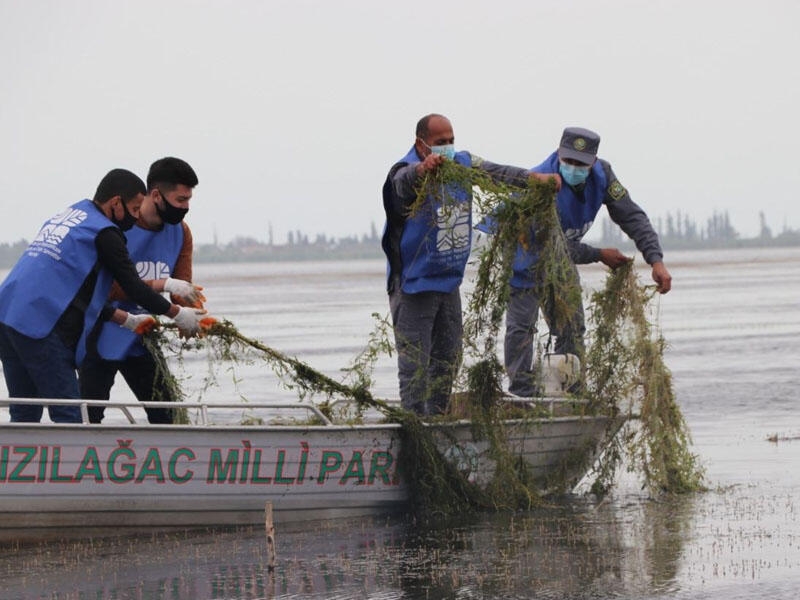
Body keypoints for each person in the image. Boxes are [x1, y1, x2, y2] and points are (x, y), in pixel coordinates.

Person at [0, 168, 210, 423]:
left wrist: (126, 319)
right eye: (133, 209)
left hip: (7, 313)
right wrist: (177, 314)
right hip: (38, 322)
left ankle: (12, 461)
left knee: (24, 409)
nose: (134, 218)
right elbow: (133, 286)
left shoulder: (74, 214)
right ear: (115, 203)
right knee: (71, 413)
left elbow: (74, 291)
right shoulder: (106, 233)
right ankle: (75, 462)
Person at [382, 113, 558, 416]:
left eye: (451, 140)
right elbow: (401, 183)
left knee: (448, 359)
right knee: (415, 368)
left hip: (448, 283)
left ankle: (436, 419)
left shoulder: (461, 164)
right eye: (440, 143)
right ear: (421, 145)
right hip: (413, 287)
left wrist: (535, 180)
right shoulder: (404, 169)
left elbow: (496, 173)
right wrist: (423, 170)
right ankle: (414, 427)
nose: (447, 147)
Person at [504, 126, 672, 397]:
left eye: (581, 163)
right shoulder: (539, 182)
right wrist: (598, 255)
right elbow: (551, 246)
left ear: (593, 161)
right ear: (559, 154)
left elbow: (632, 217)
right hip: (527, 258)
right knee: (522, 328)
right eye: (568, 161)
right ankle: (521, 392)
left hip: (564, 263)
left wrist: (656, 260)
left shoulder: (603, 175)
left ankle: (569, 389)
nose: (573, 167)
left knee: (572, 326)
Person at [79, 157, 204, 424]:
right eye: (181, 200)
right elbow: (106, 289)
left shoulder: (181, 232)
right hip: (102, 329)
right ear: (156, 195)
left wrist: (192, 315)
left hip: (143, 334)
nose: (186, 207)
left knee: (169, 417)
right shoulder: (116, 227)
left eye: (189, 199)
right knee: (87, 418)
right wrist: (164, 286)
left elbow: (182, 290)